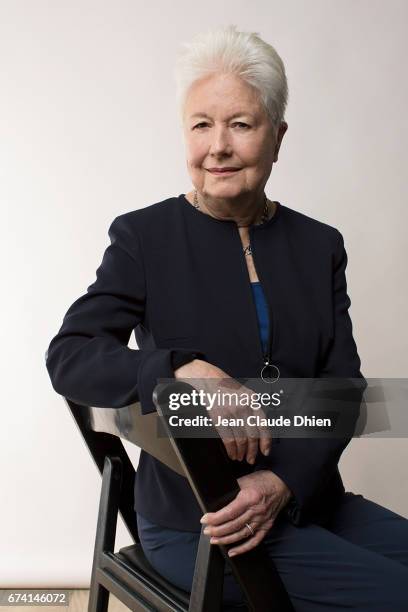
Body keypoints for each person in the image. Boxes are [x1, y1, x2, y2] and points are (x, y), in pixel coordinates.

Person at [46, 25, 408, 611]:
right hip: (201, 522)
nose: (218, 146)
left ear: (277, 138)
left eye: (240, 124)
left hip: (305, 497)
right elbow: (69, 355)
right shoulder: (144, 237)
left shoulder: (321, 246)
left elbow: (345, 389)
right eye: (201, 125)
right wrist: (183, 369)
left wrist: (280, 481)